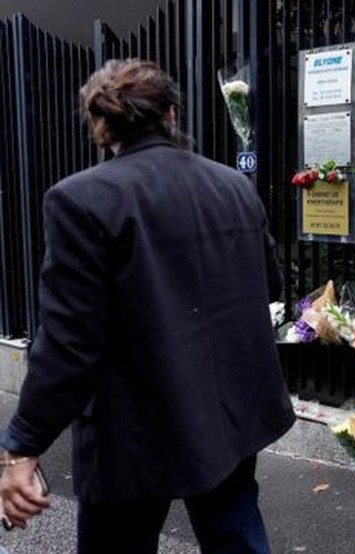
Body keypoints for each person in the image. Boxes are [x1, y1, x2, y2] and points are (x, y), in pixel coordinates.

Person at [0, 59, 295, 553]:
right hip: (228, 410)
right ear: (173, 115)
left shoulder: (81, 200)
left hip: (132, 426)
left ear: (100, 126)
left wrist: (22, 445)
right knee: (236, 536)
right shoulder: (232, 187)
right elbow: (268, 285)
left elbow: (69, 344)